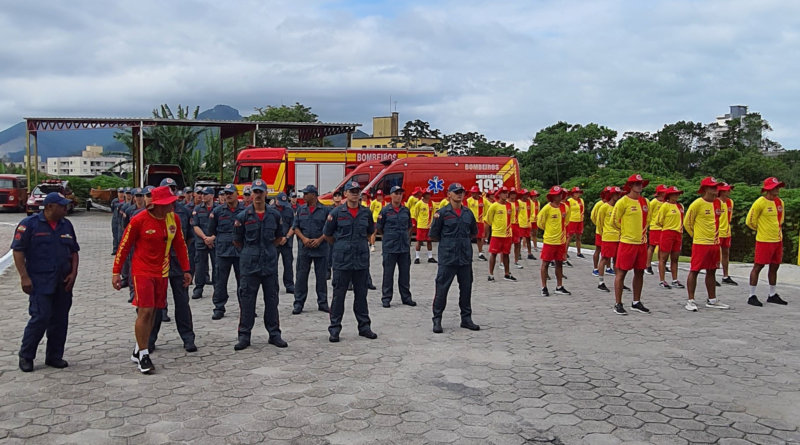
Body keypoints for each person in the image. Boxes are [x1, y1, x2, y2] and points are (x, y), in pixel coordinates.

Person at [113, 186, 191, 374]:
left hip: (162, 271)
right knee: (145, 310)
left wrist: (186, 269)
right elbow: (124, 246)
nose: (173, 205)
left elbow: (180, 244)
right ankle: (144, 354)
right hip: (142, 270)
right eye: (169, 203)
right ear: (157, 205)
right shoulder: (139, 219)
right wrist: (116, 272)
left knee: (155, 310)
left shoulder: (174, 219)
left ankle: (138, 348)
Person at [13, 193, 79, 372]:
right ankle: (26, 355)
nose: (66, 208)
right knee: (40, 318)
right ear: (50, 207)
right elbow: (18, 251)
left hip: (63, 281)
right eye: (62, 205)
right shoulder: (29, 224)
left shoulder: (66, 225)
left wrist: (73, 273)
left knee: (60, 320)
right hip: (40, 282)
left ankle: (54, 356)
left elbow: (74, 251)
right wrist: (24, 277)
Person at [231, 179, 288, 350]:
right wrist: (252, 252)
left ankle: (274, 334)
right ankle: (244, 336)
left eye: (260, 192)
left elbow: (279, 238)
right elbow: (237, 241)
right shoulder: (242, 217)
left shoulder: (275, 215)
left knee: (271, 300)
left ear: (265, 194)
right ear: (251, 194)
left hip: (269, 263)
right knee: (247, 301)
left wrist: (267, 250)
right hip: (249, 264)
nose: (257, 195)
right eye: (254, 192)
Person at [323, 180, 378, 343]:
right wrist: (342, 245)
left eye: (357, 191)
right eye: (351, 191)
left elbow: (370, 232)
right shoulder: (336, 213)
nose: (355, 193)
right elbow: (327, 234)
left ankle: (364, 327)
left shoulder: (366, 213)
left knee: (361, 295)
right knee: (339, 296)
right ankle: (334, 329)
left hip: (361, 260)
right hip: (342, 261)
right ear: (345, 194)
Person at [150, 179, 197, 352]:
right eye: (167, 189)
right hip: (157, 263)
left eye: (173, 189)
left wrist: (186, 266)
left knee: (182, 302)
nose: (171, 191)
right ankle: (150, 339)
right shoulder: (152, 213)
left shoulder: (183, 212)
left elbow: (188, 237)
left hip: (177, 262)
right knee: (156, 303)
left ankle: (188, 338)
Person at [429, 183, 479, 333]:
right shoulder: (442, 213)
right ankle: (437, 319)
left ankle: (466, 319)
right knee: (442, 289)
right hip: (448, 258)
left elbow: (473, 232)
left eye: (461, 192)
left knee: (466, 289)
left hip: (464, 258)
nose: (459, 194)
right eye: (456, 192)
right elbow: (434, 235)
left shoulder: (468, 213)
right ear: (449, 194)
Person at [684, 177, 731, 311]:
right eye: (712, 187)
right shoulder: (697, 204)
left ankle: (712, 299)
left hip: (714, 243)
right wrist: (696, 236)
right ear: (705, 189)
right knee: (695, 270)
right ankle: (690, 300)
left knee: (712, 271)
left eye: (716, 187)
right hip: (700, 244)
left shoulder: (720, 204)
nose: (716, 189)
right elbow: (687, 223)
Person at [611, 174, 652, 315]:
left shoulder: (645, 201)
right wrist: (626, 232)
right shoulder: (623, 202)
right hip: (627, 243)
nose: (639, 186)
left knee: (640, 271)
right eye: (636, 184)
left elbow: (648, 220)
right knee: (621, 273)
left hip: (641, 243)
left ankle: (636, 302)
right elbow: (614, 221)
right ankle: (618, 303)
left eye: (641, 184)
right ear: (630, 186)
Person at [746, 177, 788, 306]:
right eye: (775, 187)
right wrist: (762, 230)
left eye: (778, 187)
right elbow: (750, 221)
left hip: (777, 239)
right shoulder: (760, 202)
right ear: (768, 189)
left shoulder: (780, 202)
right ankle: (752, 295)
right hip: (764, 240)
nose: (777, 189)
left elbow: (781, 220)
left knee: (775, 266)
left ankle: (772, 294)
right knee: (758, 266)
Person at [292, 185, 331, 314]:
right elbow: (295, 227)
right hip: (305, 248)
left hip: (320, 248)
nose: (303, 196)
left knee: (321, 277)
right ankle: (298, 303)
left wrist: (319, 239)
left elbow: (329, 229)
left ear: (313, 195)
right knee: (301, 277)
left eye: (306, 193)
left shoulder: (325, 210)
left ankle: (323, 303)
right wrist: (303, 239)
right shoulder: (300, 209)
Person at [208, 184, 245, 320]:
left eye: (230, 193)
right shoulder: (217, 212)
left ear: (237, 194)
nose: (228, 195)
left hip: (240, 251)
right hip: (223, 251)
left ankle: (245, 307)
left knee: (243, 281)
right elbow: (211, 230)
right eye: (226, 193)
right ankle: (219, 307)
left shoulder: (245, 211)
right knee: (220, 281)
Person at [376, 185, 416, 308]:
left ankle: (406, 297)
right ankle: (386, 298)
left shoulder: (405, 210)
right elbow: (379, 228)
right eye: (396, 193)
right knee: (388, 274)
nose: (398, 196)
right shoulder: (385, 211)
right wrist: (389, 237)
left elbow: (409, 226)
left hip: (403, 247)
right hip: (390, 246)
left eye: (400, 193)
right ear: (391, 195)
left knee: (405, 273)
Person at [537, 186, 570, 296]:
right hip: (549, 241)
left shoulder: (565, 207)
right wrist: (550, 230)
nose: (559, 196)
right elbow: (540, 222)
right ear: (552, 196)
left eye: (561, 194)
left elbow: (566, 221)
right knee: (545, 263)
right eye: (557, 194)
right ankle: (544, 287)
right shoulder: (547, 208)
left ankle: (559, 286)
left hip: (561, 241)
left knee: (559, 263)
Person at [655, 186, 685, 290]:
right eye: (674, 194)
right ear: (669, 195)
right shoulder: (665, 206)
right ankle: (662, 280)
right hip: (667, 232)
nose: (676, 195)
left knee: (675, 258)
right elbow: (658, 220)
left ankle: (675, 279)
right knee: (664, 257)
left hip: (678, 233)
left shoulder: (680, 206)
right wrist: (668, 226)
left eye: (677, 193)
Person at [485, 187, 516, 282]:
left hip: (507, 235)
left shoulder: (511, 206)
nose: (506, 195)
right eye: (503, 193)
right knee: (493, 254)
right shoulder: (494, 206)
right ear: (499, 195)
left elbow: (512, 219)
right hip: (496, 235)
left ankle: (507, 273)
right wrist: (488, 235)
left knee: (506, 254)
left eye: (507, 193)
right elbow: (488, 220)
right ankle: (490, 274)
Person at [191, 187, 216, 300]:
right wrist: (205, 238)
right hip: (201, 241)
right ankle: (198, 289)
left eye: (206, 194)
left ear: (211, 196)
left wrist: (212, 238)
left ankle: (218, 289)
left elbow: (221, 226)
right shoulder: (197, 209)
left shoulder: (218, 209)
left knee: (217, 267)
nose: (203, 196)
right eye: (202, 194)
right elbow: (195, 226)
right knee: (200, 267)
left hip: (215, 242)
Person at [597, 186, 623, 292]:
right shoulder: (604, 207)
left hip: (619, 237)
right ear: (611, 195)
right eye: (616, 194)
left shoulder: (619, 207)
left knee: (617, 260)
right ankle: (601, 282)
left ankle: (619, 281)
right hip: (608, 237)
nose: (618, 196)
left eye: (619, 194)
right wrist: (604, 233)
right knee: (605, 259)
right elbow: (599, 222)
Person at [273, 192, 296, 294]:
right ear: (275, 200)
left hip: (287, 242)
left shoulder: (289, 210)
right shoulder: (271, 210)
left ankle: (289, 285)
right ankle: (274, 286)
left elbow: (293, 226)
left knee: (288, 264)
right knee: (273, 265)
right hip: (274, 242)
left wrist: (286, 237)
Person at [718, 183, 737, 286]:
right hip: (717, 232)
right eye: (727, 190)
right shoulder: (716, 202)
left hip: (726, 231)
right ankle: (712, 275)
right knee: (716, 255)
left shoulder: (730, 202)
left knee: (726, 253)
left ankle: (725, 276)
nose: (729, 192)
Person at [646, 185, 668, 275]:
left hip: (664, 227)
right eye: (663, 192)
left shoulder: (666, 202)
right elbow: (649, 214)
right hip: (655, 227)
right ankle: (647, 265)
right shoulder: (653, 202)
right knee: (652, 246)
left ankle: (661, 265)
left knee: (662, 247)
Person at [412, 190, 437, 264]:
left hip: (429, 226)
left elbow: (433, 214)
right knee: (419, 241)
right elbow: (415, 214)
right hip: (421, 226)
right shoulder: (419, 203)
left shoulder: (432, 203)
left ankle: (430, 257)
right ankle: (417, 257)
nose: (428, 195)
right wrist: (419, 222)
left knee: (429, 241)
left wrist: (431, 223)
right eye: (427, 194)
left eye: (429, 194)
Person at [590, 188, 608, 277]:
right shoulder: (599, 204)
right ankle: (595, 268)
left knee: (608, 251)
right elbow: (593, 216)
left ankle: (608, 267)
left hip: (609, 233)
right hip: (600, 231)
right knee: (598, 249)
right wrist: (599, 225)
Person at [467, 186, 488, 261]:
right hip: (471, 222)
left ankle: (480, 253)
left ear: (477, 193)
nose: (472, 194)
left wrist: (485, 218)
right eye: (472, 192)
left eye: (474, 192)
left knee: (480, 237)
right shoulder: (469, 200)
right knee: (469, 238)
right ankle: (468, 254)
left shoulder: (484, 201)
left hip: (480, 222)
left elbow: (489, 209)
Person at [327, 191, 343, 280]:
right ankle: (328, 271)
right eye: (335, 196)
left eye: (339, 196)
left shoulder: (344, 208)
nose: (337, 197)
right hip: (332, 234)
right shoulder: (329, 209)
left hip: (341, 234)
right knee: (329, 254)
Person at [566, 187, 586, 262]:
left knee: (579, 237)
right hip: (572, 220)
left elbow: (583, 209)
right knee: (569, 237)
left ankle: (579, 252)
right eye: (576, 193)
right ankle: (565, 251)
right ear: (572, 194)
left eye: (578, 193)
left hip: (580, 220)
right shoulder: (570, 201)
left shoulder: (581, 200)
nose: (577, 194)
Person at [508, 188, 523, 270]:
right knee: (507, 244)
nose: (513, 195)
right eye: (511, 193)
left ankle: (516, 261)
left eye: (514, 193)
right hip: (509, 225)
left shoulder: (518, 203)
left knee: (517, 244)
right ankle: (502, 262)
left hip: (517, 225)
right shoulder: (506, 203)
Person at [111, 187, 124, 255]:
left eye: (122, 192)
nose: (121, 194)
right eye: (120, 192)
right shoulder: (114, 201)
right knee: (115, 234)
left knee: (121, 235)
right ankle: (115, 249)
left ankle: (121, 249)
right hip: (115, 219)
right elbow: (112, 209)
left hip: (122, 220)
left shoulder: (126, 201)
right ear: (117, 193)